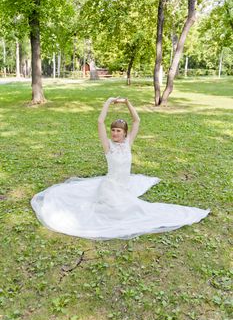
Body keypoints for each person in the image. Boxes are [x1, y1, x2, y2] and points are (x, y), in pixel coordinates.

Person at [31, 97, 210, 240]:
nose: (115, 133)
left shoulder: (128, 143)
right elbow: (100, 122)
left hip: (125, 185)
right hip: (110, 187)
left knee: (132, 208)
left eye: (118, 131)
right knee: (118, 212)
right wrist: (108, 102)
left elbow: (137, 120)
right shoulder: (108, 146)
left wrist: (127, 103)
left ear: (124, 133)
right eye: (113, 130)